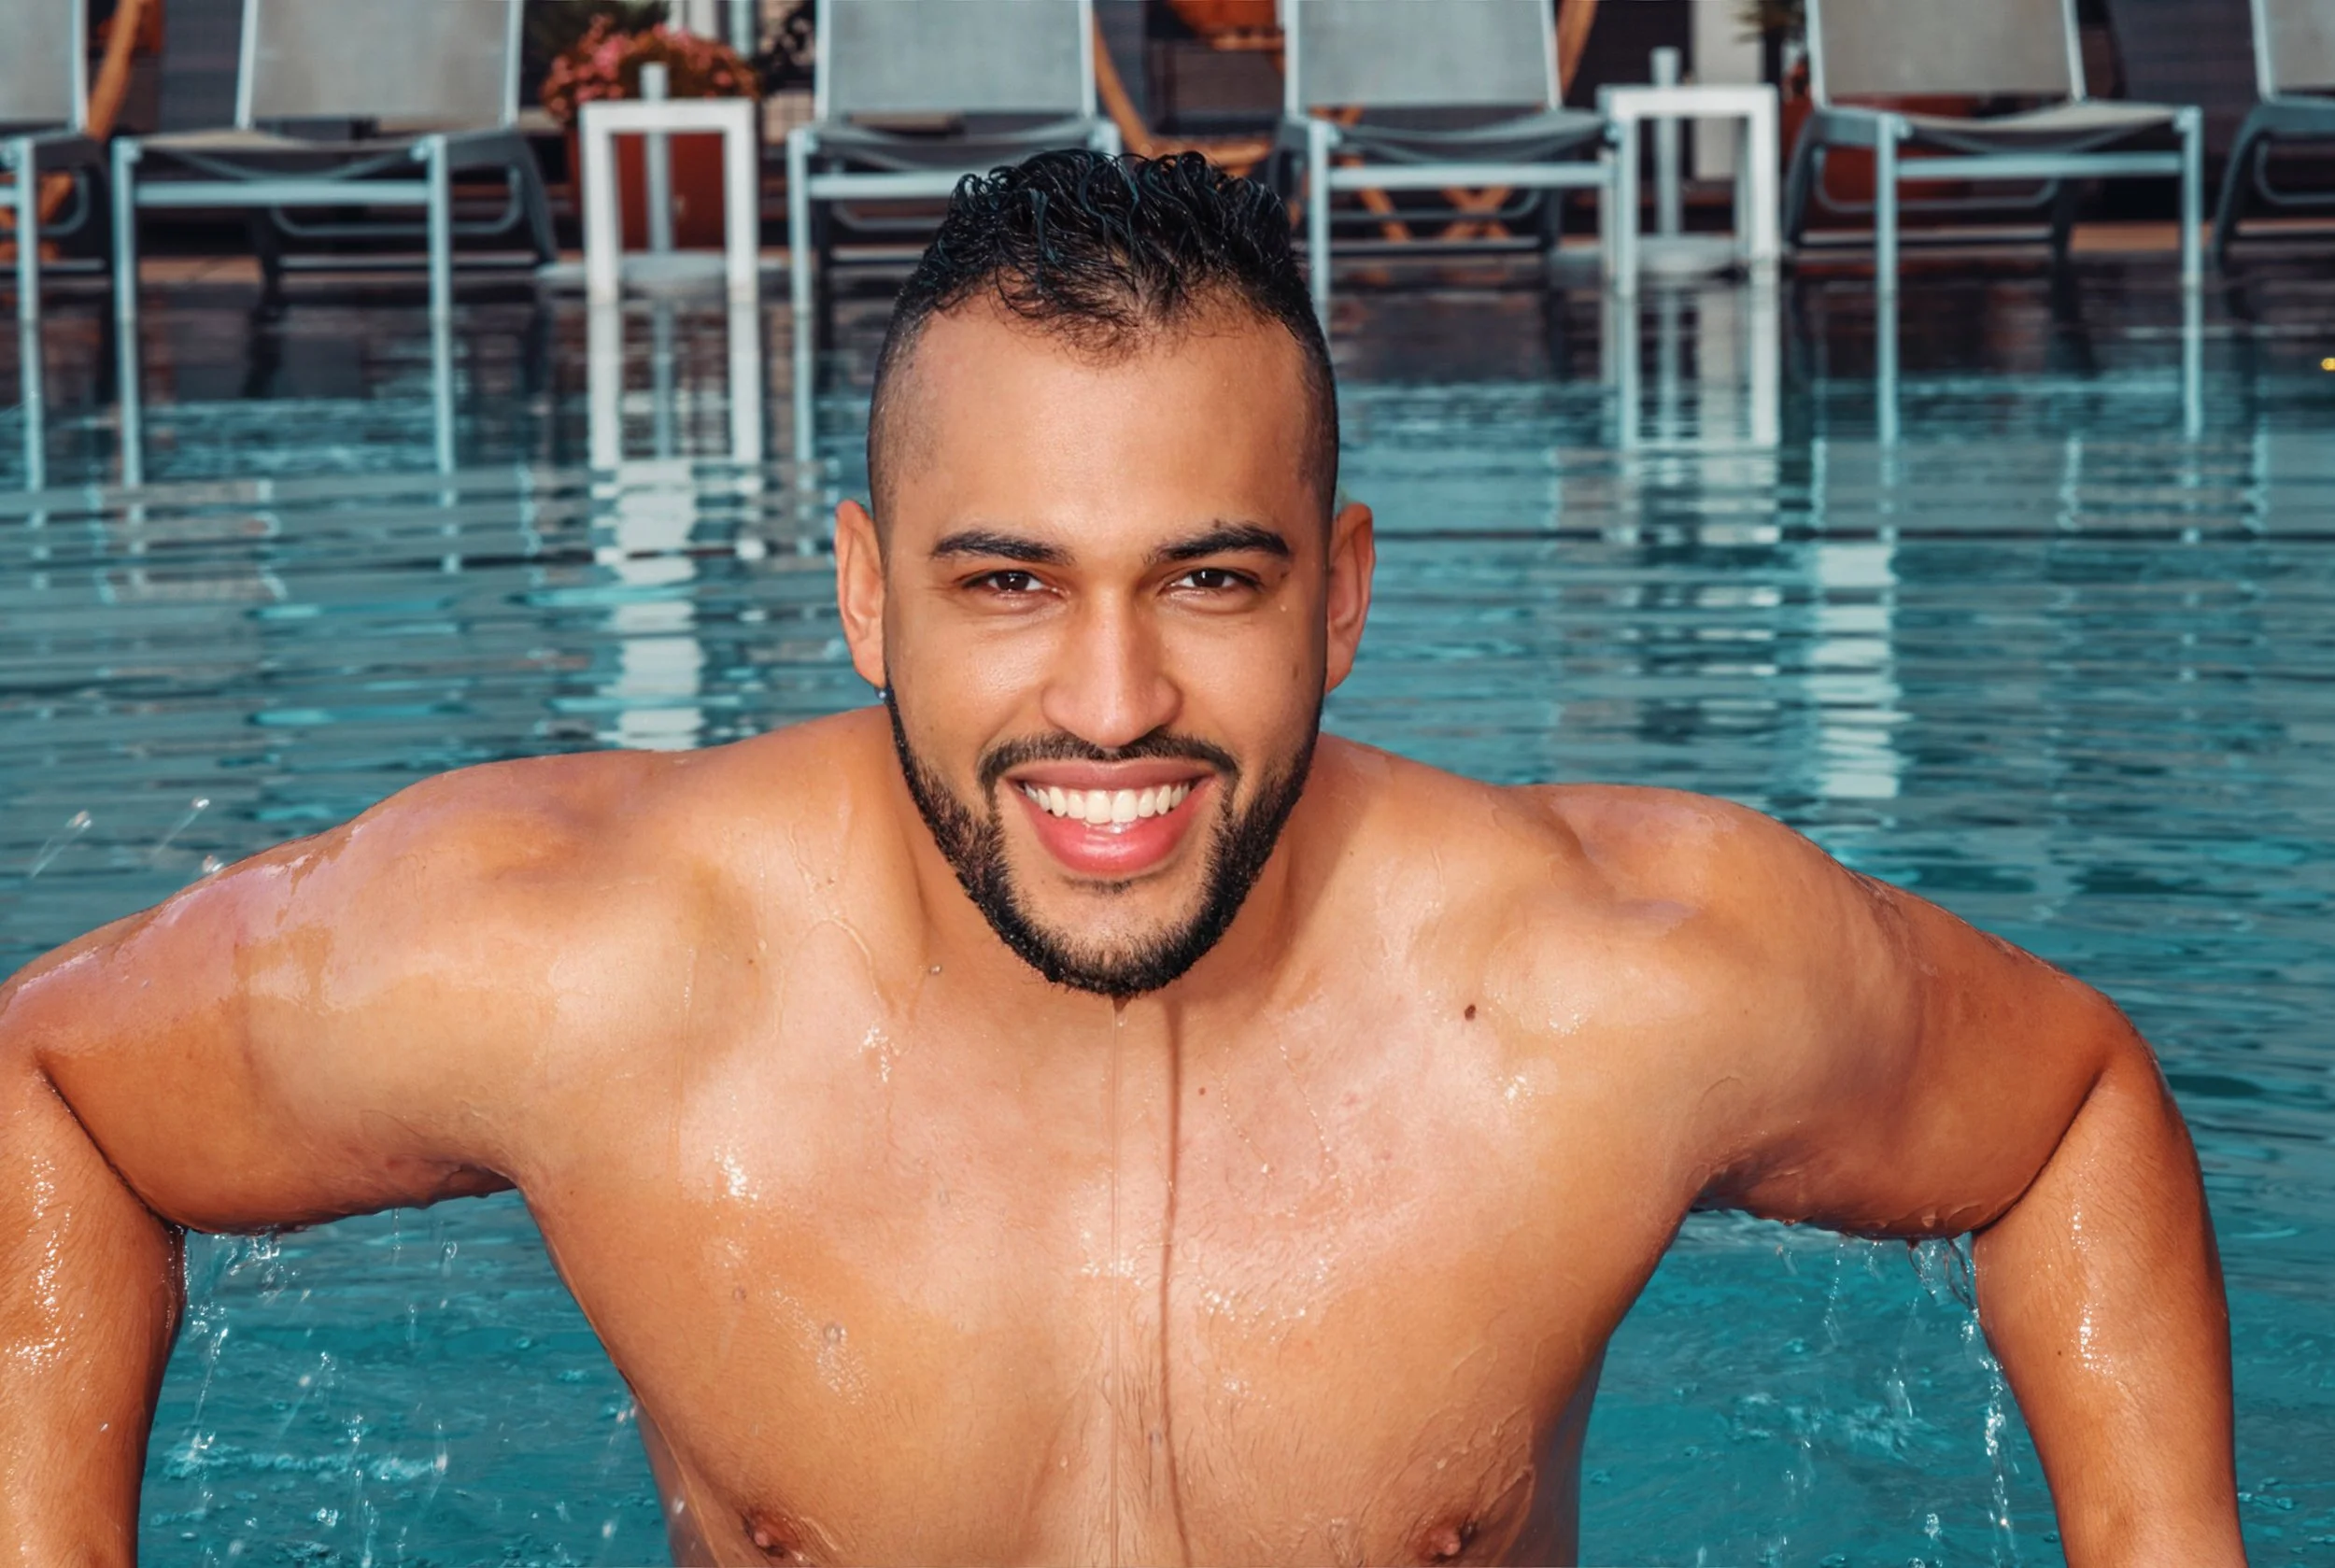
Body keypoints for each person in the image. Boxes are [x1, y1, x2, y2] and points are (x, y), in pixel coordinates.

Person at [0, 151, 2240, 1567]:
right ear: (863, 594)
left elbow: (2061, 1110)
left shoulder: (1606, 987)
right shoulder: (582, 961)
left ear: (1339, 595)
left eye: (1207, 578)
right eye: (1007, 582)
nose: (1106, 701)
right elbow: (59, 1083)